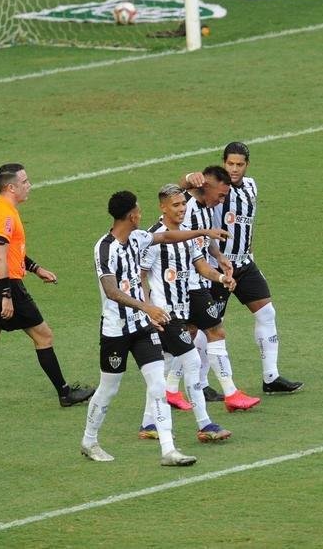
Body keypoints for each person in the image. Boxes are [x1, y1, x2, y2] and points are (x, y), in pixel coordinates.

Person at [80, 190, 229, 466]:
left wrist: (204, 231)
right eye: (138, 210)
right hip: (116, 330)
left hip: (142, 328)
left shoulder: (138, 238)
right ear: (131, 215)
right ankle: (89, 441)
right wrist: (146, 306)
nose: (141, 214)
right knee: (108, 389)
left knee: (159, 385)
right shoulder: (105, 248)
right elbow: (111, 291)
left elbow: (168, 237)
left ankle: (168, 450)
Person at [0, 163, 94, 416]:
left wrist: (36, 269)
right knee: (43, 336)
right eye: (25, 182)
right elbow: (0, 256)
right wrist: (7, 296)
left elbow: (12, 253)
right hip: (6, 285)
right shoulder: (5, 214)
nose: (29, 186)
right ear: (11, 187)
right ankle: (65, 393)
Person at [182, 144, 303, 395]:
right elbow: (180, 193)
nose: (234, 169)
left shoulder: (251, 186)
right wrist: (186, 179)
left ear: (247, 165)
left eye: (239, 164)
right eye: (230, 164)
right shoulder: (212, 187)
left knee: (267, 313)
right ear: (223, 163)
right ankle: (202, 384)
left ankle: (271, 377)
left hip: (244, 263)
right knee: (210, 325)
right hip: (215, 266)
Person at [137, 184, 235, 444]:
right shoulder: (153, 238)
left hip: (181, 310)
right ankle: (205, 424)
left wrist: (220, 277)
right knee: (191, 363)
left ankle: (148, 423)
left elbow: (201, 266)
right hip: (165, 315)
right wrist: (148, 309)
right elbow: (141, 276)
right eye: (176, 205)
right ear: (163, 207)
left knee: (163, 367)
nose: (181, 210)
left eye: (183, 204)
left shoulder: (187, 235)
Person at [178, 165, 262, 412]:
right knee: (216, 332)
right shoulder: (187, 209)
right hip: (189, 284)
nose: (222, 201)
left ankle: (169, 390)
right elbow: (196, 258)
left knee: (189, 334)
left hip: (198, 281)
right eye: (221, 195)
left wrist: (220, 256)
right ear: (206, 186)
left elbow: (205, 245)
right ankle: (231, 393)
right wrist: (219, 277)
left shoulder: (205, 208)